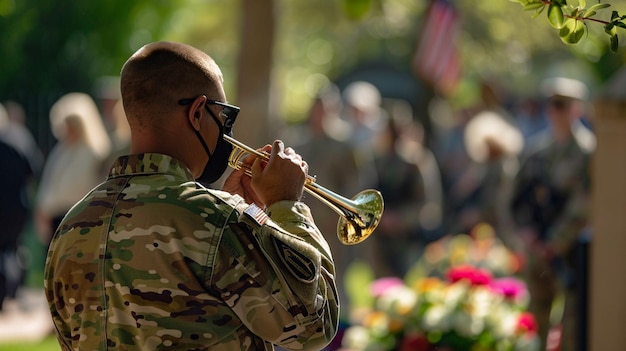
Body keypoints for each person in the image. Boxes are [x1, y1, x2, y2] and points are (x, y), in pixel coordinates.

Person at [44, 41, 339, 351]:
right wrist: (286, 206)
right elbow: (315, 324)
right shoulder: (218, 220)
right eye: (225, 118)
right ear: (197, 112)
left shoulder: (70, 227)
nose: (227, 133)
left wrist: (253, 217)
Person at [509, 77, 594, 351]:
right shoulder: (537, 152)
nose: (554, 111)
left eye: (561, 105)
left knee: (571, 331)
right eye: (551, 105)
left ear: (576, 109)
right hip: (538, 252)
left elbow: (585, 203)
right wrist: (526, 231)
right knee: (533, 328)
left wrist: (554, 242)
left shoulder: (588, 153)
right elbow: (515, 199)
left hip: (570, 255)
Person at [34, 92, 112, 247]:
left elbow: (80, 186)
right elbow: (48, 182)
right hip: (56, 219)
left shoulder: (94, 152)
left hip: (80, 219)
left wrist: (50, 206)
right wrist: (43, 208)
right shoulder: (61, 151)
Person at [0, 102, 41, 310]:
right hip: (17, 204)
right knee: (12, 249)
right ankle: (12, 292)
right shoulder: (19, 139)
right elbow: (32, 170)